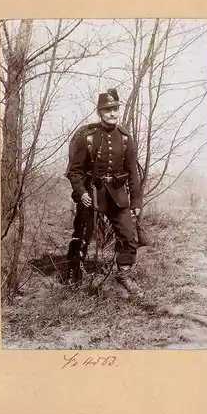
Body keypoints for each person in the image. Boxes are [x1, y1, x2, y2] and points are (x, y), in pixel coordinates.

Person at [66, 88, 143, 296]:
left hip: (117, 195)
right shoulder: (88, 138)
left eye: (115, 109)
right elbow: (74, 171)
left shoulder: (126, 138)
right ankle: (74, 273)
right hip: (92, 194)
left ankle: (124, 274)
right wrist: (81, 192)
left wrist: (136, 201)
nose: (112, 113)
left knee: (128, 235)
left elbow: (132, 172)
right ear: (100, 112)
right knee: (82, 235)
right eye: (107, 110)